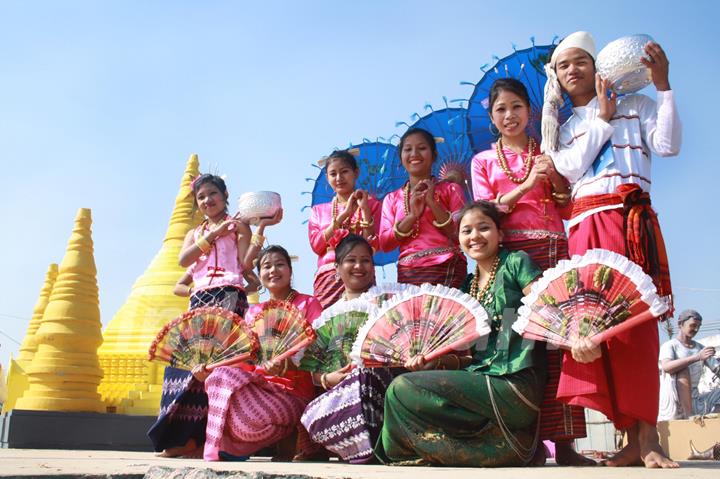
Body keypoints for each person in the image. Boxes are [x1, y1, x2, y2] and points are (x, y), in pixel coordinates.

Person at [545, 31, 682, 468]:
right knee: (599, 329)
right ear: (558, 77)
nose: (572, 70)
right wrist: (601, 119)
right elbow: (568, 169)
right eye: (563, 65)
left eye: (579, 61)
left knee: (637, 326)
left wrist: (662, 86)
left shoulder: (638, 106)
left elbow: (669, 145)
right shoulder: (565, 127)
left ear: (597, 63)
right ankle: (629, 438)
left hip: (629, 220)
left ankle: (649, 436)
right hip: (585, 226)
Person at [471, 78, 590, 465]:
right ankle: (519, 441)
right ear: (492, 117)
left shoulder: (552, 150)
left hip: (555, 250)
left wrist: (552, 176)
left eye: (517, 107)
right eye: (501, 109)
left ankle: (568, 444)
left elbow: (568, 205)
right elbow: (485, 210)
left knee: (560, 344)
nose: (509, 115)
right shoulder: (483, 160)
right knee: (509, 344)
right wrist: (525, 185)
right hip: (511, 259)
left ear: (531, 112)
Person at [375, 201, 547, 467]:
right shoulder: (468, 287)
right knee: (400, 395)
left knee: (401, 390)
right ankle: (500, 446)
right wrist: (434, 363)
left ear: (500, 234)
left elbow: (548, 307)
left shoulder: (516, 264)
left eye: (483, 228)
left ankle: (442, 451)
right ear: (459, 240)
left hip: (515, 383)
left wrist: (577, 337)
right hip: (482, 381)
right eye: (466, 231)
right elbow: (475, 355)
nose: (475, 236)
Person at [147, 173, 279, 458]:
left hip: (229, 296)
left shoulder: (238, 226)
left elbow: (245, 263)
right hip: (199, 299)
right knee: (182, 368)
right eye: (201, 197)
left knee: (217, 369)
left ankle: (212, 439)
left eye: (212, 194)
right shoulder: (195, 233)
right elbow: (183, 260)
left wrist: (261, 229)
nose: (208, 200)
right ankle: (180, 438)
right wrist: (212, 235)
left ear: (225, 194)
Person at [201, 245, 322, 461]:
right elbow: (246, 358)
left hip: (294, 392)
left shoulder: (308, 304)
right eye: (267, 266)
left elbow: (318, 353)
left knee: (252, 417)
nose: (273, 270)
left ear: (290, 270)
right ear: (260, 275)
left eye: (279, 264)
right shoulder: (254, 312)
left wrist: (287, 365)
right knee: (220, 375)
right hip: (262, 387)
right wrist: (207, 372)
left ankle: (289, 432)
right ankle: (220, 446)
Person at [300, 233, 399, 464]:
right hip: (342, 391)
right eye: (351, 260)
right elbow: (314, 369)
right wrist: (327, 378)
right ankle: (358, 446)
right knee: (311, 415)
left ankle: (371, 446)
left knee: (365, 376)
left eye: (365, 260)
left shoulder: (388, 301)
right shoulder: (327, 316)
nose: (358, 266)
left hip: (382, 385)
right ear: (337, 268)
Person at [379, 128, 467, 287]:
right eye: (408, 149)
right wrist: (412, 216)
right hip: (408, 272)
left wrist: (433, 204)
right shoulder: (392, 199)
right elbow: (385, 244)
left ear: (434, 156)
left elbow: (460, 235)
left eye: (422, 148)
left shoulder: (451, 189)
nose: (414, 154)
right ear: (401, 158)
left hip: (447, 265)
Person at [308, 150, 381, 307]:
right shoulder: (318, 211)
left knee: (363, 325)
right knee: (328, 327)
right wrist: (343, 215)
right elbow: (316, 245)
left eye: (344, 172)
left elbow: (373, 246)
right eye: (333, 174)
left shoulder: (372, 204)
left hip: (360, 273)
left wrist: (366, 210)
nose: (339, 178)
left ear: (356, 172)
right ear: (327, 178)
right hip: (328, 279)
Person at [659, 309, 720, 419]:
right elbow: (666, 367)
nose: (696, 329)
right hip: (675, 400)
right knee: (683, 369)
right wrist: (697, 357)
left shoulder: (700, 348)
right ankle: (688, 415)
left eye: (698, 326)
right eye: (693, 325)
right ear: (680, 324)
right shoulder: (670, 345)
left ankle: (712, 419)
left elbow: (717, 368)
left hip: (695, 400)